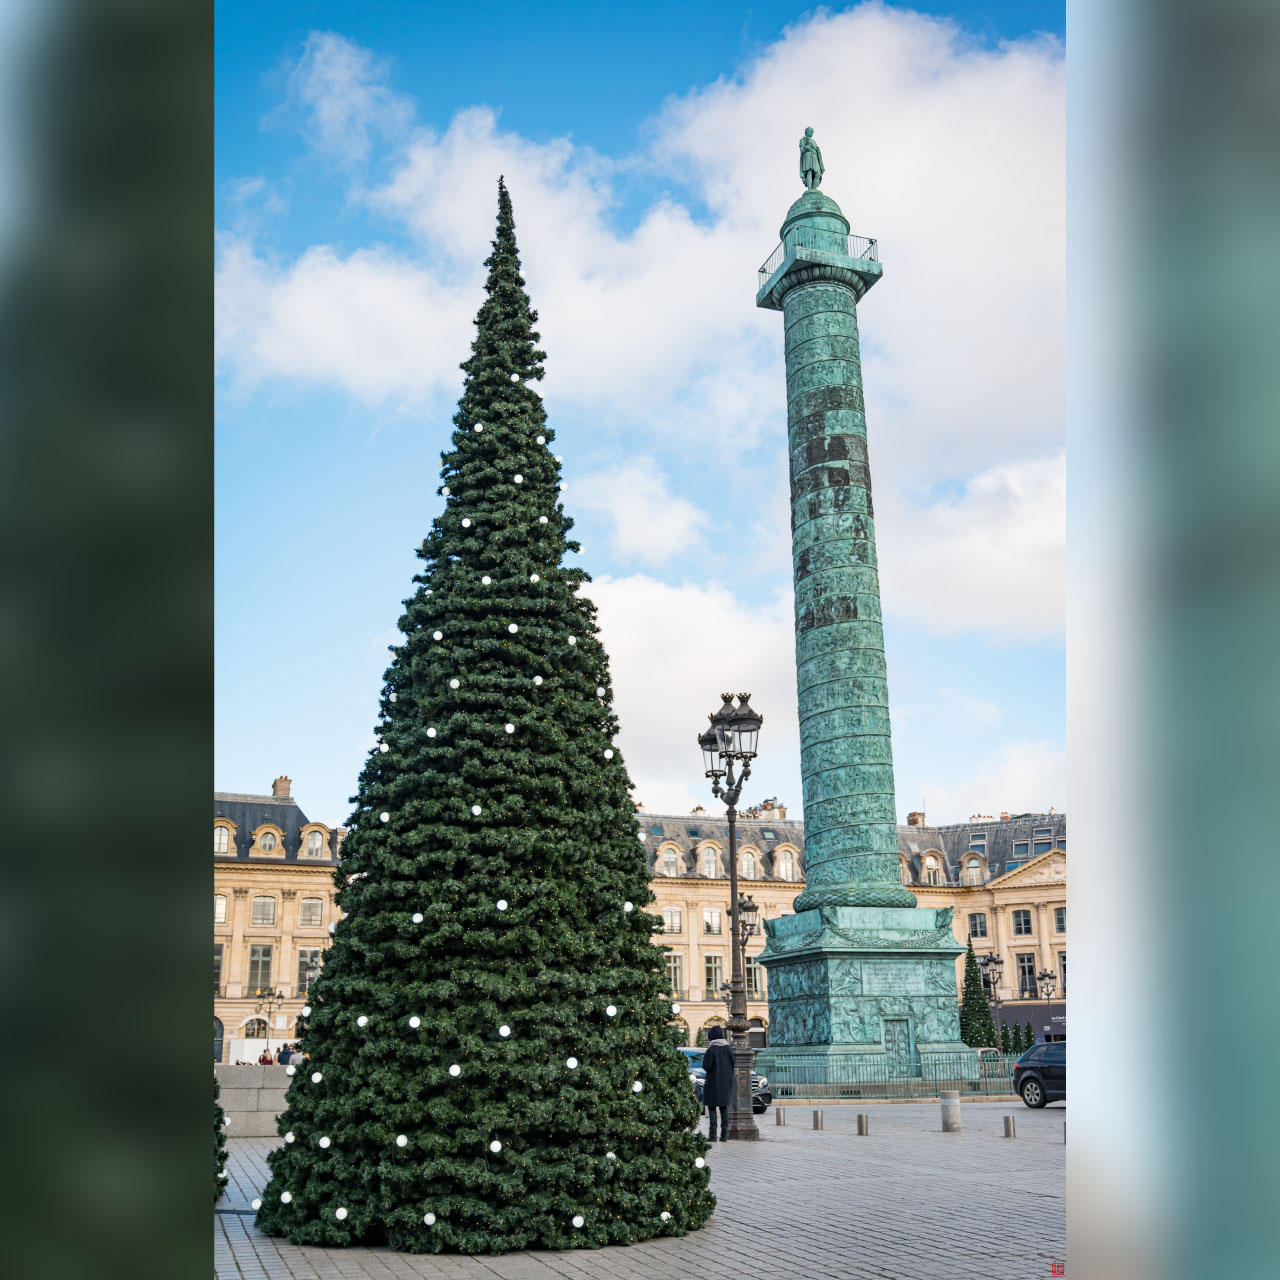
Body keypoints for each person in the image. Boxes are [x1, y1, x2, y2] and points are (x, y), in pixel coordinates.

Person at [701, 1031, 736, 1142]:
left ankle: (713, 1135)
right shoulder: (728, 1049)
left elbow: (706, 1066)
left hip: (713, 1082)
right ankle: (724, 1135)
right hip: (726, 1082)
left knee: (712, 1107)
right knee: (724, 1107)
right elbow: (733, 1064)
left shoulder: (711, 1050)